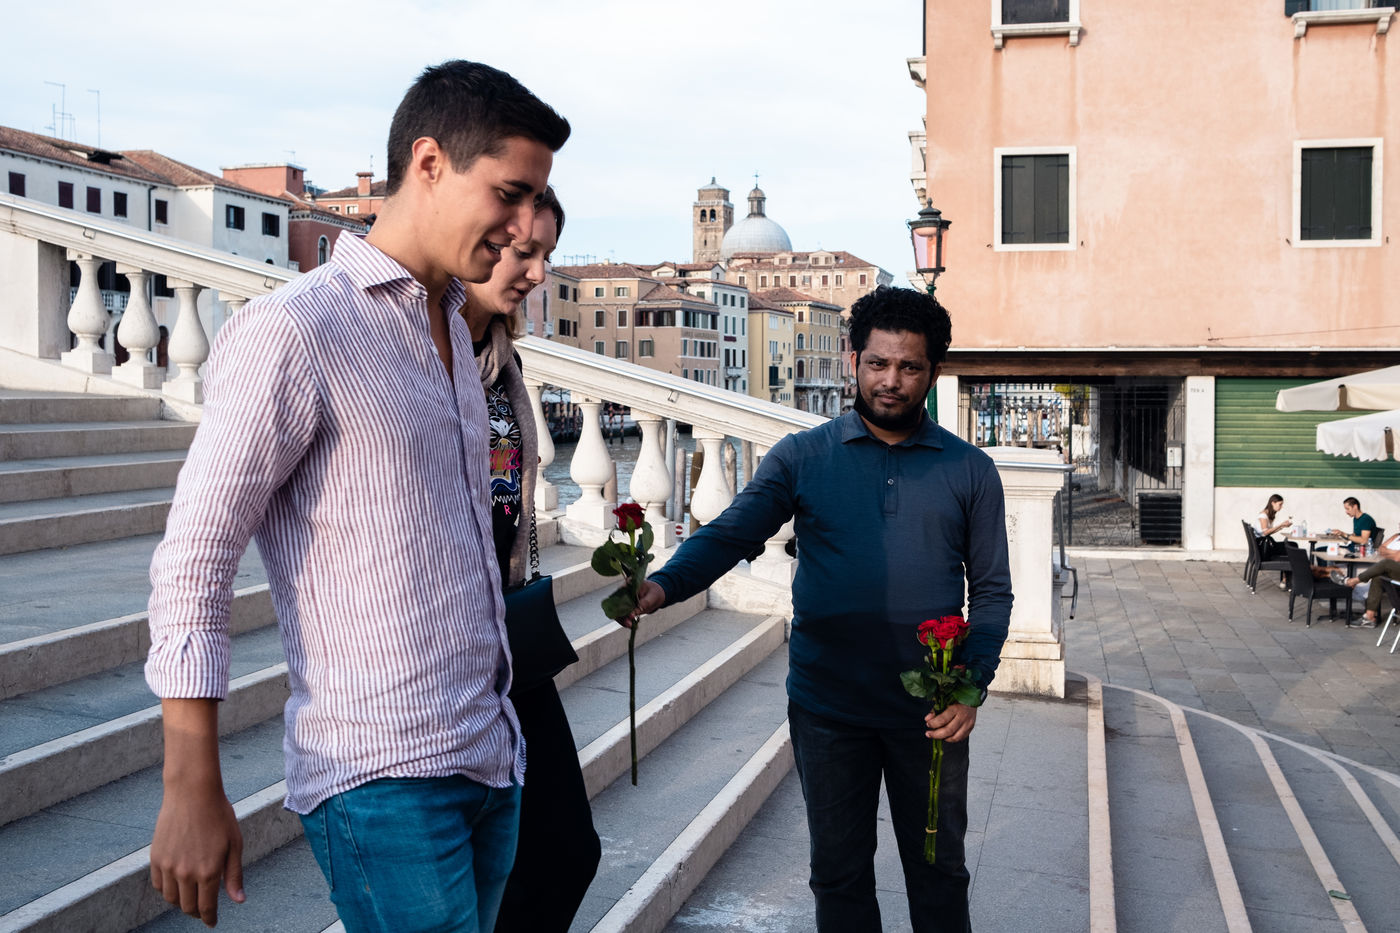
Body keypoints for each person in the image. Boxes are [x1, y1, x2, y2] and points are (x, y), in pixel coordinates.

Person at [144, 60, 570, 931]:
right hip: (382, 775)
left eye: (536, 201)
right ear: (429, 163)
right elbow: (194, 557)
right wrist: (190, 783)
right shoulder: (296, 330)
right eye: (510, 194)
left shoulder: (452, 325)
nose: (523, 227)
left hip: (491, 758)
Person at [624, 285, 1012, 933]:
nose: (890, 381)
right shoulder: (802, 457)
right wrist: (663, 586)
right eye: (877, 363)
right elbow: (731, 533)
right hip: (827, 708)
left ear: (933, 372)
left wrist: (972, 685)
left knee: (939, 872)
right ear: (852, 360)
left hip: (931, 712)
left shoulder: (970, 470)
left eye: (909, 366)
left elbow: (993, 590)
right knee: (838, 875)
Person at [460, 187, 601, 932]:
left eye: (547, 254)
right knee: (525, 857)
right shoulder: (424, 353)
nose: (539, 272)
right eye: (523, 251)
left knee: (568, 849)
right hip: (448, 640)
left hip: (508, 636)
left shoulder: (502, 358)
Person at [1340, 529, 1400, 628]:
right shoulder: (1396, 536)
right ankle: (1369, 617)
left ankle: (1354, 580)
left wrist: (1388, 553)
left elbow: (1397, 558)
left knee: (1386, 563)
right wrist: (1394, 553)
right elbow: (1380, 549)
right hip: (1393, 571)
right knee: (1378, 577)